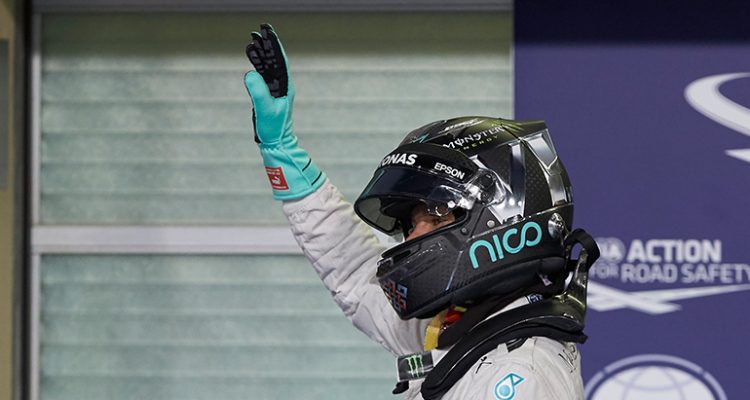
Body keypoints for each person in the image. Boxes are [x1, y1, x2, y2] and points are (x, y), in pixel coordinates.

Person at [244, 24, 599, 400]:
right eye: (412, 223)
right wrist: (283, 153)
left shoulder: (518, 378)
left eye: (436, 213)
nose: (412, 236)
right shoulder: (469, 328)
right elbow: (355, 276)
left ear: (502, 219)